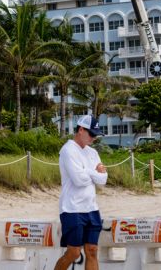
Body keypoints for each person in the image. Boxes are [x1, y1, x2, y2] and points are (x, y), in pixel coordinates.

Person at [54, 114, 107, 270]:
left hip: (92, 208)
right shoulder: (68, 150)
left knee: (92, 251)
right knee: (74, 253)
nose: (93, 138)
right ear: (81, 130)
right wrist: (94, 172)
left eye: (96, 135)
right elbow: (78, 180)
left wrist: (88, 172)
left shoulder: (93, 153)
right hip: (72, 209)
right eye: (91, 134)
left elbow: (103, 180)